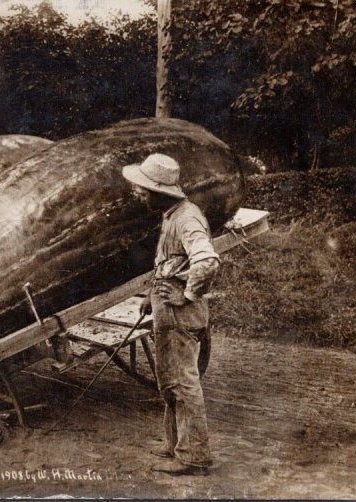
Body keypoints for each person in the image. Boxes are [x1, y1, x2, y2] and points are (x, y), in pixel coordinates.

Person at [121, 153, 220, 477]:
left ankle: (194, 458)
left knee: (183, 383)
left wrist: (186, 294)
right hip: (167, 310)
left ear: (160, 191)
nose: (138, 194)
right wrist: (153, 297)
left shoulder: (187, 218)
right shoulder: (171, 214)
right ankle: (176, 444)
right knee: (170, 382)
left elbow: (207, 261)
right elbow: (170, 264)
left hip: (181, 313)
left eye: (142, 189)